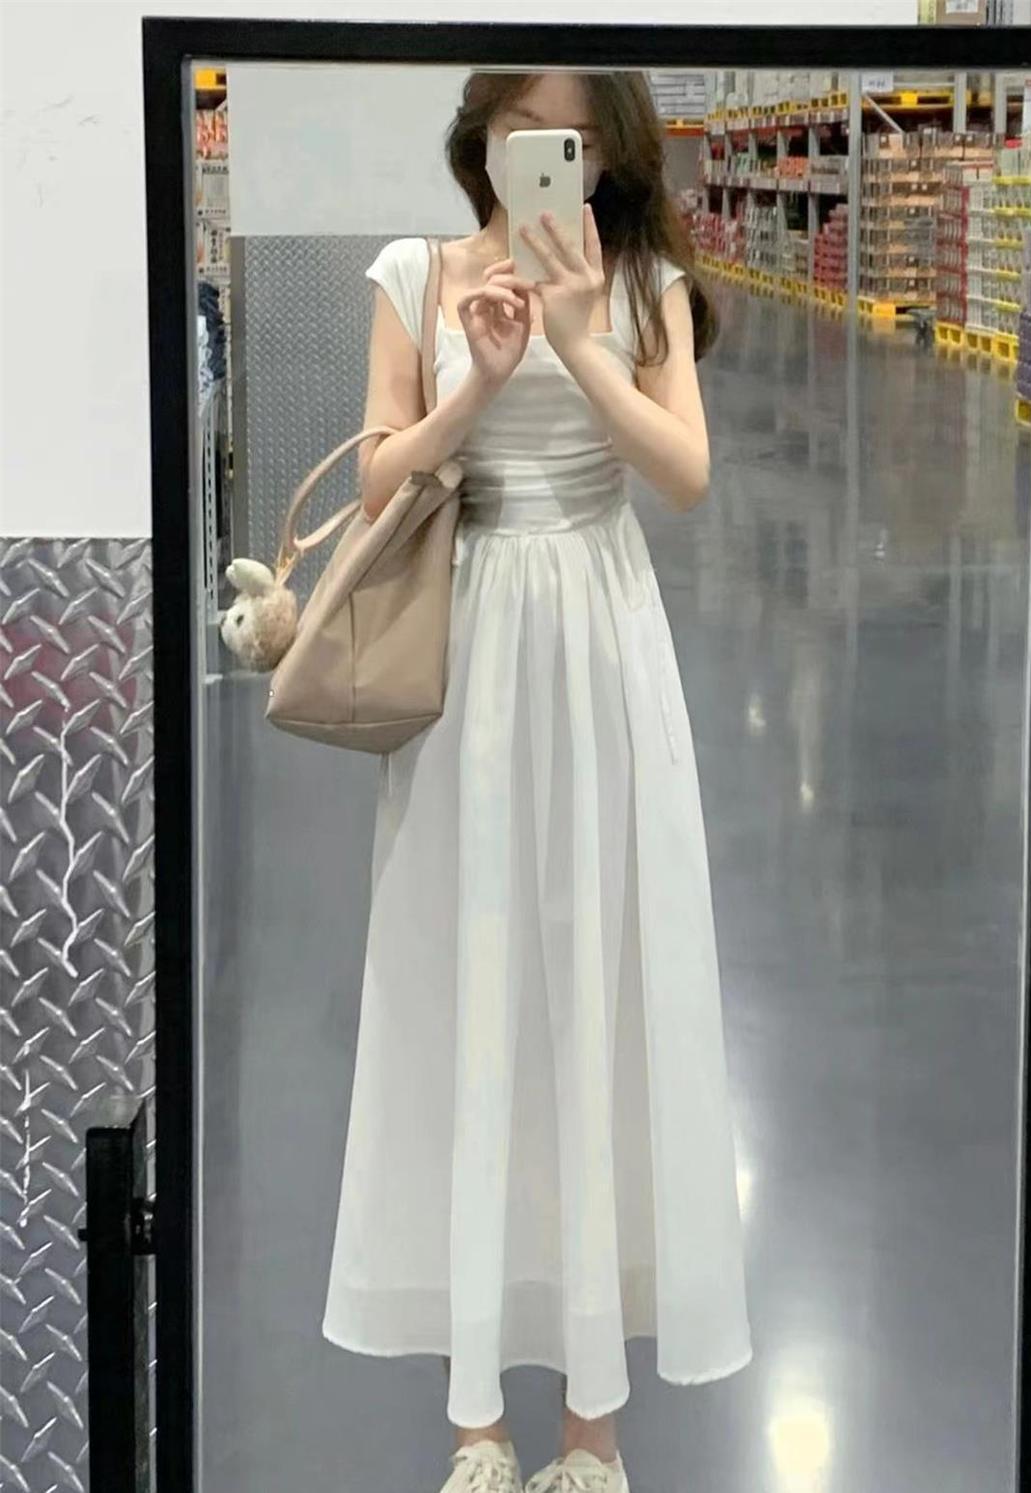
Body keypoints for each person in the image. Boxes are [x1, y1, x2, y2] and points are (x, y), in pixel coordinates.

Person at [320, 68, 752, 1493]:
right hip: (466, 647)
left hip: (604, 640)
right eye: (515, 133)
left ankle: (591, 1430)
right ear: (481, 141)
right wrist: (486, 379)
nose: (538, 156)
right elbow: (379, 477)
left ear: (606, 150)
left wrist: (578, 344)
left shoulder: (645, 287)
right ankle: (476, 1424)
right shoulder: (416, 273)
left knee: (600, 985)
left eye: (565, 136)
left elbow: (684, 473)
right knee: (468, 979)